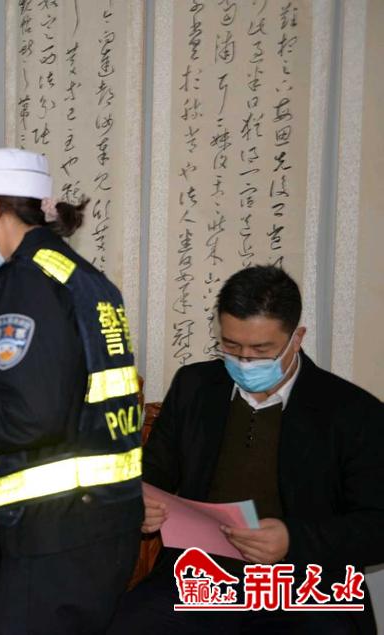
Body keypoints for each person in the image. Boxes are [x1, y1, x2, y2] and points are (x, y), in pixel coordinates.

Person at [0, 148, 143, 634]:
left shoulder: (25, 281)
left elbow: (31, 419)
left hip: (56, 530)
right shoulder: (82, 277)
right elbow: (60, 399)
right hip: (103, 522)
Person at [108, 265, 384, 635]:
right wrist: (139, 505)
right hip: (200, 579)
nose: (244, 361)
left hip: (304, 588)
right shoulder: (195, 387)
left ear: (296, 338)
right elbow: (154, 475)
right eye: (232, 346)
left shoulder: (351, 412)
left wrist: (292, 540)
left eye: (261, 350)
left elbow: (376, 525)